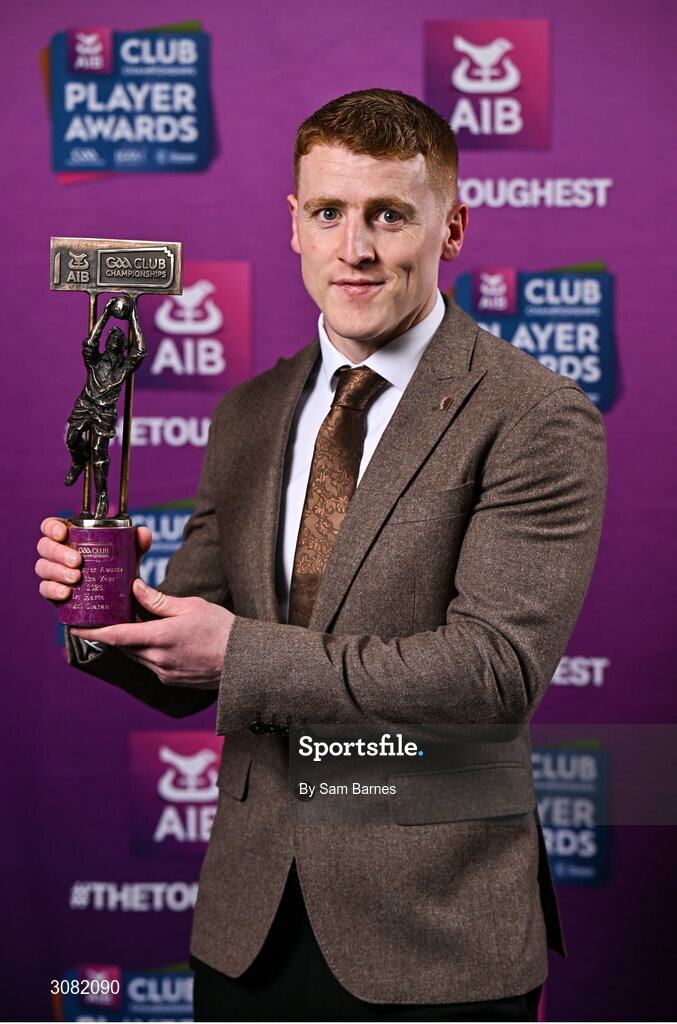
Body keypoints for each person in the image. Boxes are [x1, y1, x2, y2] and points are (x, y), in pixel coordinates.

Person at [36, 89, 607, 1021]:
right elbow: (193, 668)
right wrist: (108, 612)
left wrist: (237, 652)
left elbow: (493, 671)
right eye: (329, 213)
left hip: (436, 931)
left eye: (389, 215)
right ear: (293, 224)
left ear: (450, 226)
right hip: (248, 923)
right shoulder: (247, 414)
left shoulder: (534, 416)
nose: (356, 249)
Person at [64, 294, 145, 518]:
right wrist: (106, 313)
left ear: (122, 346)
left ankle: (102, 497)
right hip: (86, 404)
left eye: (120, 338)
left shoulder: (125, 366)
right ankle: (79, 461)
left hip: (105, 411)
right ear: (107, 342)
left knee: (100, 452)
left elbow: (140, 351)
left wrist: (133, 316)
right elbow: (90, 342)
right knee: (71, 439)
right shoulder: (94, 361)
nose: (115, 339)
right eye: (112, 336)